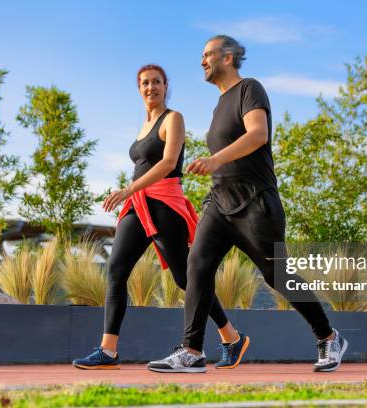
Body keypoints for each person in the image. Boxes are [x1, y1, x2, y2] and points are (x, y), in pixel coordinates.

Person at [147, 36, 348, 374]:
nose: (202, 60)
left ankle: (328, 336)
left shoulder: (249, 89)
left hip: (255, 202)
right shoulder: (219, 105)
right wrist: (215, 170)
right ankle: (192, 350)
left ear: (228, 57)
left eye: (207, 54)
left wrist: (215, 159)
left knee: (276, 274)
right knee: (196, 263)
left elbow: (258, 134)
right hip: (220, 202)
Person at [72, 64, 245, 371]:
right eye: (144, 83)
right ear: (139, 89)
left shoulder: (173, 119)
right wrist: (131, 195)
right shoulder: (143, 125)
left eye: (156, 82)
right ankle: (108, 350)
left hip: (165, 204)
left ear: (166, 86)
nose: (150, 87)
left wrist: (127, 189)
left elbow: (167, 163)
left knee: (184, 277)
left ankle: (230, 337)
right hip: (138, 206)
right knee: (116, 269)